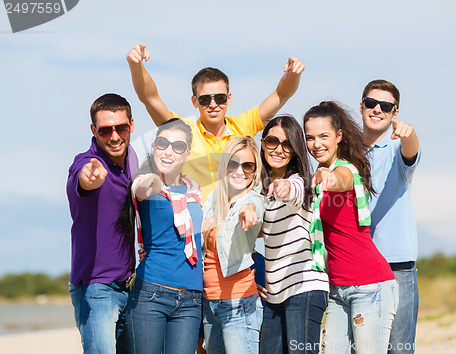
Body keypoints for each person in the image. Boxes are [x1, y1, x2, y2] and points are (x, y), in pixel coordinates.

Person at [126, 43, 304, 200]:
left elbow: (281, 94)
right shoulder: (182, 131)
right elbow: (150, 97)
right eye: (205, 100)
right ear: (194, 101)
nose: (213, 105)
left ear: (229, 98)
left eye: (220, 98)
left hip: (235, 228)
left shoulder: (243, 126)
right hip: (196, 230)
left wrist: (293, 74)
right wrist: (136, 65)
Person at [304, 101, 398, 353]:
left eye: (324, 136)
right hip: (337, 289)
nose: (317, 144)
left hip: (369, 286)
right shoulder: (320, 176)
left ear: (339, 136)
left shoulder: (345, 170)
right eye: (310, 138)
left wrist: (330, 178)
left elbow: (342, 179)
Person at [116, 118, 203, 354]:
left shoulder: (194, 191)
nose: (168, 151)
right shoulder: (145, 184)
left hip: (192, 298)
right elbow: (142, 188)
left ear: (186, 154)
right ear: (154, 147)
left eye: (178, 146)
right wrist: (154, 179)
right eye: (163, 143)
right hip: (151, 292)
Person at [66, 93, 138, 354]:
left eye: (121, 127)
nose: (115, 136)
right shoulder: (86, 163)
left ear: (131, 124)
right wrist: (90, 179)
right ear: (94, 131)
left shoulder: (133, 161)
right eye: (106, 130)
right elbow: (83, 179)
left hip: (131, 286)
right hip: (97, 288)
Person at [258, 115, 329, 354]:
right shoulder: (260, 189)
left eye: (287, 144)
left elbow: (295, 191)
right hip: (275, 294)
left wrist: (284, 187)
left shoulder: (299, 181)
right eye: (272, 141)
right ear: (263, 142)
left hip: (305, 287)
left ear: (295, 149)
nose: (279, 149)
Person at [359, 80, 420, 354]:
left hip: (397, 268)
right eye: (371, 103)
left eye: (385, 106)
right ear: (362, 106)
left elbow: (411, 149)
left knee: (399, 350)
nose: (377, 110)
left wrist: (409, 133)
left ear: (395, 113)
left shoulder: (398, 149)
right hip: (358, 269)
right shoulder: (346, 155)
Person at [201, 137, 266, 353]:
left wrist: (249, 210)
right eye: (233, 164)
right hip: (210, 303)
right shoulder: (212, 200)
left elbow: (255, 206)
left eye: (247, 165)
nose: (240, 171)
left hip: (238, 304)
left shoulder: (253, 199)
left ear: (255, 169)